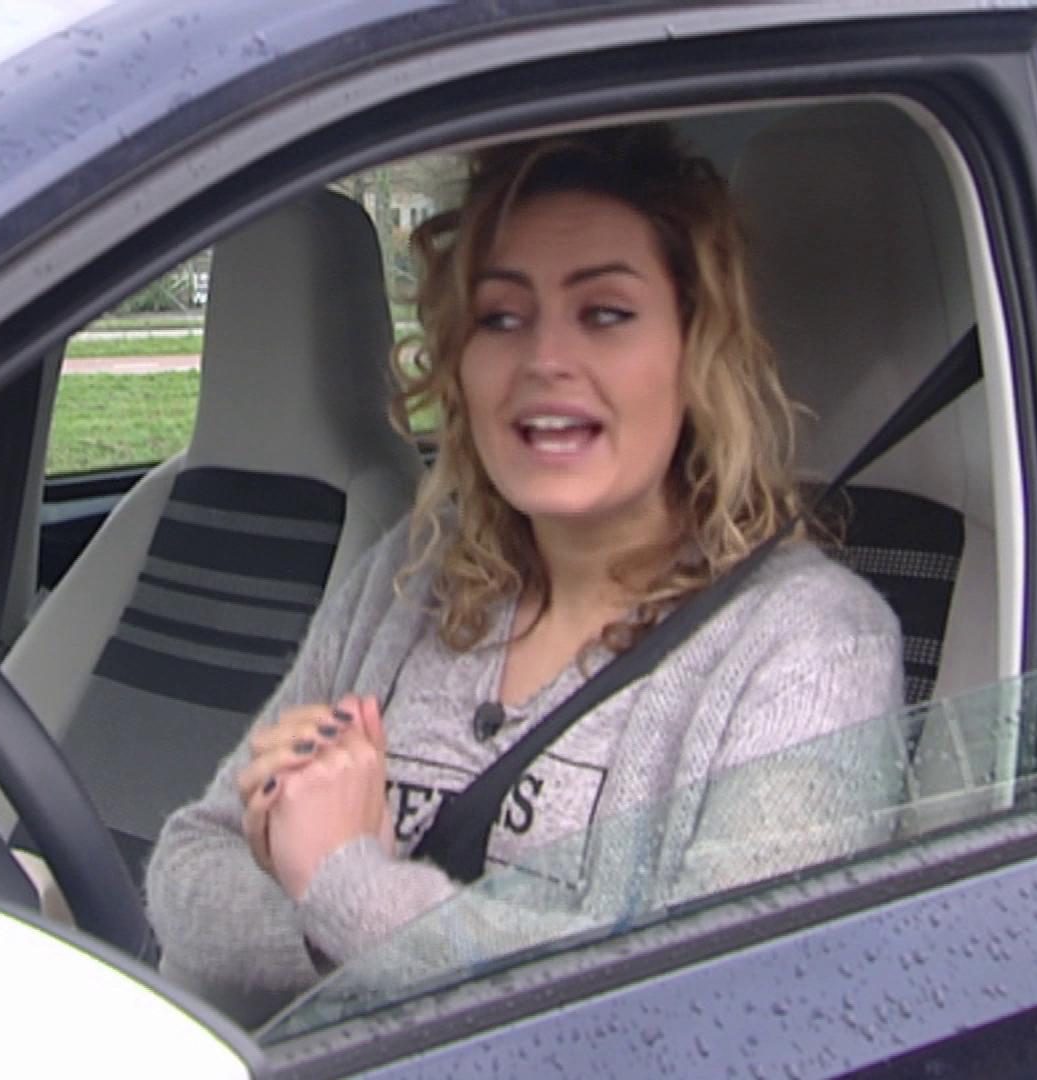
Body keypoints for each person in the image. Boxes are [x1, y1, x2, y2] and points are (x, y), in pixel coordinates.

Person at [143, 123, 905, 1026]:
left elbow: (716, 1018)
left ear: (695, 352)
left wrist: (341, 884)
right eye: (501, 317)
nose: (544, 360)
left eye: (605, 313)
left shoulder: (810, 645)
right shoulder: (415, 573)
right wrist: (322, 920)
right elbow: (188, 868)